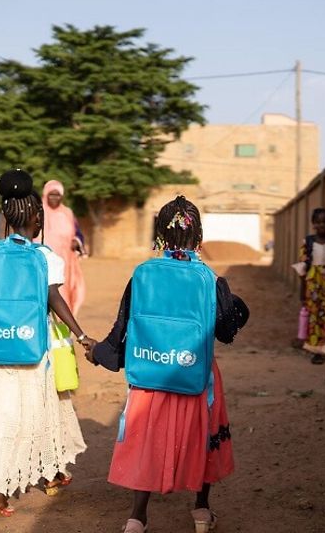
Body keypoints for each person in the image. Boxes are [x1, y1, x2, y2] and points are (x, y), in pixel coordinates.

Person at [84, 195, 250, 533]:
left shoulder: (142, 275)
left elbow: (123, 330)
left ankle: (137, 517)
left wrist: (97, 351)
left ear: (160, 236)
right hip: (196, 376)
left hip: (150, 377)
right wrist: (234, 303)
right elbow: (226, 330)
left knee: (148, 440)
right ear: (199, 238)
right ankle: (201, 512)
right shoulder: (209, 278)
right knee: (203, 439)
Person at [0, 169, 93, 523]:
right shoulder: (46, 257)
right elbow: (54, 300)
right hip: (33, 348)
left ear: (5, 216)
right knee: (42, 410)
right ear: (36, 218)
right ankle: (50, 475)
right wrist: (81, 336)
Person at [296, 208, 325, 364]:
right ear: (313, 224)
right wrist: (303, 290)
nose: (322, 225)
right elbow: (303, 267)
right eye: (318, 222)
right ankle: (316, 350)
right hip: (313, 283)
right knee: (315, 316)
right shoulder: (308, 242)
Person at [40, 180, 87, 316]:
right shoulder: (38, 212)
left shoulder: (67, 213)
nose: (55, 198)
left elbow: (78, 234)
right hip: (42, 262)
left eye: (57, 195)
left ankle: (62, 328)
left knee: (63, 293)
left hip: (65, 263)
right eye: (51, 195)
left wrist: (76, 241)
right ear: (45, 195)